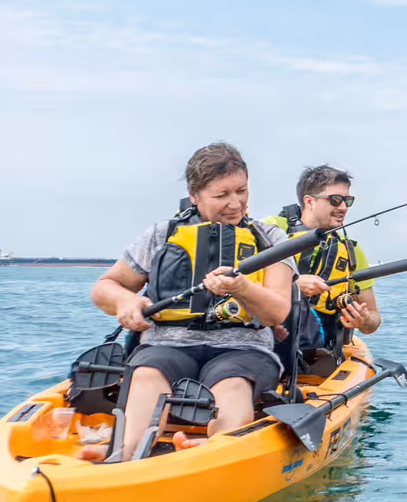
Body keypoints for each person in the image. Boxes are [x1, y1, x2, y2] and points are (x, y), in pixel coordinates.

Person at [83, 142, 294, 460]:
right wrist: (125, 301)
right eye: (221, 195)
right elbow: (105, 287)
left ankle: (214, 454)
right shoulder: (160, 235)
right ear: (194, 195)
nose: (235, 203)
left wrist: (242, 289)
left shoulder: (271, 240)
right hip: (167, 346)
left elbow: (278, 311)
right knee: (146, 374)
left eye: (241, 191)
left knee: (232, 383)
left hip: (243, 350)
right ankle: (123, 454)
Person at [264, 165, 381, 360]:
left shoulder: (352, 252)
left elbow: (374, 320)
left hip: (319, 352)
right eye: (335, 200)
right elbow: (238, 278)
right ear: (309, 201)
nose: (343, 207)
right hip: (270, 338)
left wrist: (364, 319)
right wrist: (293, 284)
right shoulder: (271, 229)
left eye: (347, 200)